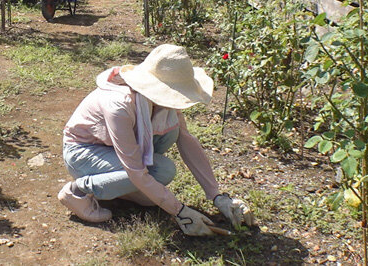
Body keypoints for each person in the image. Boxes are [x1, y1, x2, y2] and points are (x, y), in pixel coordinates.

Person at [59, 44, 255, 236]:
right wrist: (179, 211)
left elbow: (186, 139)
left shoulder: (160, 103)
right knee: (161, 171)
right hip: (83, 153)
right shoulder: (119, 106)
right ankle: (78, 191)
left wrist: (217, 196)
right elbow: (135, 170)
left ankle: (124, 187)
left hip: (112, 150)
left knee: (171, 134)